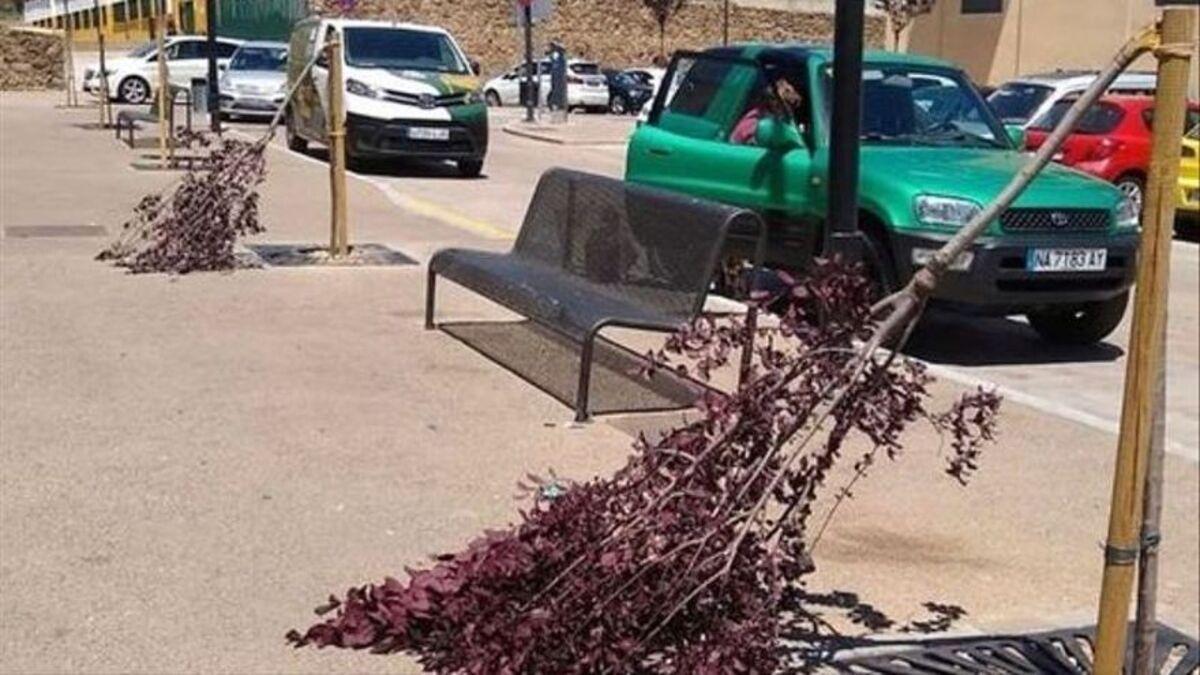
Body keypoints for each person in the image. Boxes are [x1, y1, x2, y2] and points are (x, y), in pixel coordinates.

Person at [730, 77, 804, 145]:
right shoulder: (754, 119)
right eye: (773, 99)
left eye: (791, 106)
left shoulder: (787, 119)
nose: (787, 110)